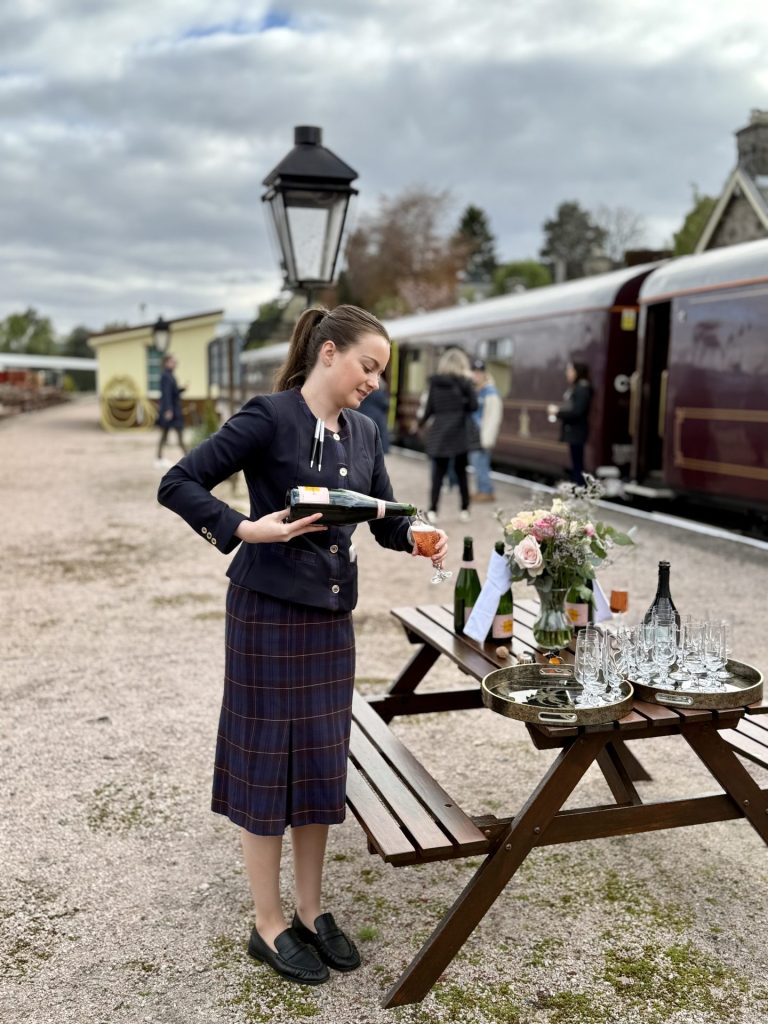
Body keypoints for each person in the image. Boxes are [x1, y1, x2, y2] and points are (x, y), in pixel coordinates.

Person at [157, 305, 447, 987]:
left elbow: (382, 519)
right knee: (265, 766)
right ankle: (268, 923)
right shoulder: (269, 416)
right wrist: (243, 529)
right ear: (327, 353)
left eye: (380, 371)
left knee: (317, 764)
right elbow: (178, 483)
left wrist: (417, 536)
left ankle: (313, 912)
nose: (373, 381)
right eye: (366, 366)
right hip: (265, 613)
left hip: (329, 619)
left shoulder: (367, 433)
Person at [419, 347, 478, 523]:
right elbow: (474, 406)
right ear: (462, 365)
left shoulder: (435, 383)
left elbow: (430, 409)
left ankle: (433, 510)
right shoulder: (466, 383)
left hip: (440, 433)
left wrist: (419, 425)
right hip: (459, 431)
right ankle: (464, 509)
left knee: (437, 475)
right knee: (461, 473)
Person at [548, 360, 593, 486]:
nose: (567, 373)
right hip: (575, 431)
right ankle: (578, 487)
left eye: (570, 370)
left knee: (578, 463)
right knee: (576, 462)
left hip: (577, 431)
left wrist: (558, 412)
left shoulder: (582, 389)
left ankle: (579, 488)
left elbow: (577, 411)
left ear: (577, 372)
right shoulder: (579, 388)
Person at [469, 359, 503, 502]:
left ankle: (486, 491)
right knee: (476, 463)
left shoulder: (490, 392)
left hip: (483, 436)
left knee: (481, 462)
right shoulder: (478, 391)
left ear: (484, 374)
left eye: (479, 373)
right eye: (474, 373)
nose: (477, 376)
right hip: (475, 434)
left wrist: (488, 438)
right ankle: (481, 489)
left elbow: (493, 417)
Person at [156, 354, 187, 467]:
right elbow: (167, 394)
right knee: (169, 435)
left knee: (171, 435)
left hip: (172, 410)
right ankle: (188, 457)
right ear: (166, 363)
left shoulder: (170, 375)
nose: (175, 363)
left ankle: (159, 458)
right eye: (172, 361)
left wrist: (182, 389)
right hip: (171, 411)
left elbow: (173, 392)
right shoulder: (166, 376)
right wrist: (168, 410)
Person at [358, 377, 390, 453]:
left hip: (363, 415)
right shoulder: (380, 394)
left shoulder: (363, 392)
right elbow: (385, 405)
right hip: (378, 418)